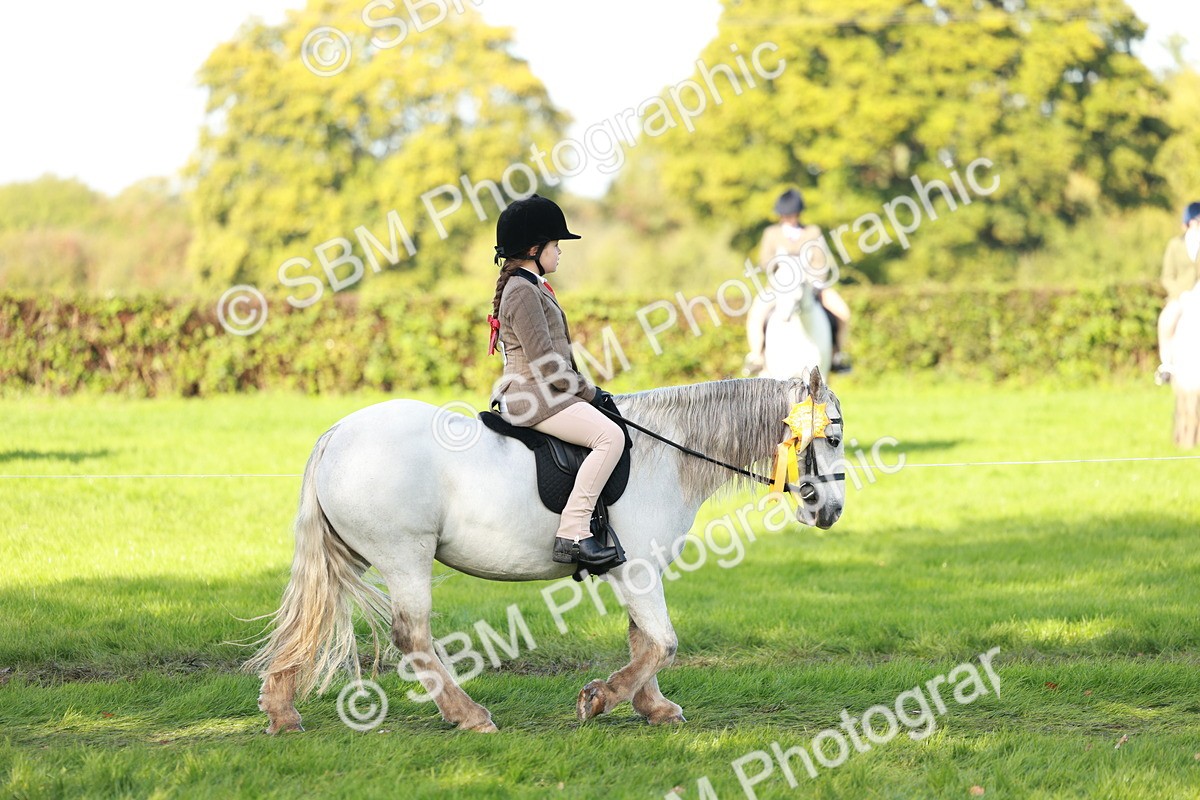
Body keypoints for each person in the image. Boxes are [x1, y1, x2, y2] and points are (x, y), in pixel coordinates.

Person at [488, 195, 622, 569]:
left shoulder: (532, 285)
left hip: (545, 392)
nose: (560, 252)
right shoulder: (522, 291)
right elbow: (548, 365)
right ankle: (574, 532)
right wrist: (590, 392)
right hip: (534, 396)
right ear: (534, 249)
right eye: (556, 245)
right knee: (610, 436)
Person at [743, 188, 852, 376]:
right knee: (755, 314)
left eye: (791, 215)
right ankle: (756, 357)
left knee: (843, 312)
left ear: (798, 213)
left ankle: (837, 355)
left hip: (810, 285)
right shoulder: (772, 233)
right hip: (779, 286)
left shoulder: (812, 231)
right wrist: (781, 265)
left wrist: (815, 281)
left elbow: (820, 261)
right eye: (784, 216)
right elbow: (764, 261)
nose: (787, 218)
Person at [1156, 201, 1200, 385]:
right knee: (1166, 321)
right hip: (1181, 296)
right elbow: (1167, 276)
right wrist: (1180, 294)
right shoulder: (1175, 245)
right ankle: (1166, 364)